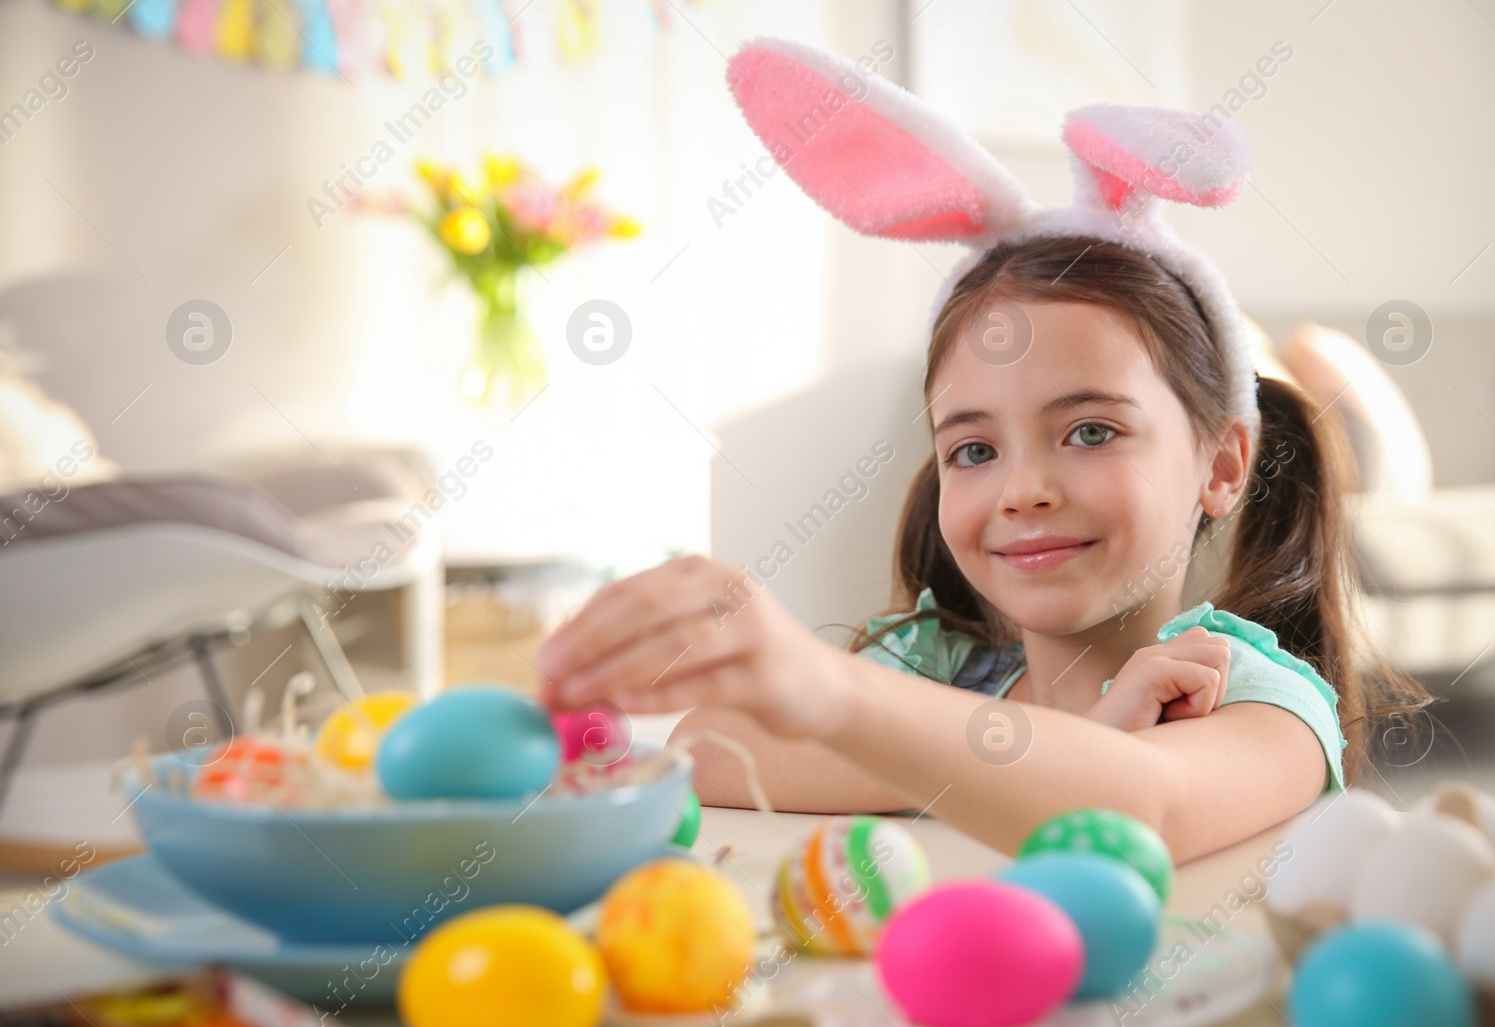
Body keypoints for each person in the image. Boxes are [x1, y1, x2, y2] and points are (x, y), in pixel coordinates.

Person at [533, 39, 1429, 864]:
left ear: (1223, 464)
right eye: (972, 449)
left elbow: (1136, 812)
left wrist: (838, 700)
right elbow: (708, 749)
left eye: (1090, 430)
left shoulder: (1256, 697)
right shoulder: (953, 669)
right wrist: (1053, 730)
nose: (1024, 489)